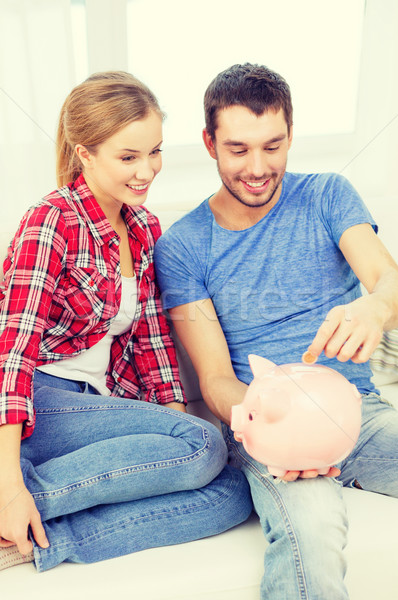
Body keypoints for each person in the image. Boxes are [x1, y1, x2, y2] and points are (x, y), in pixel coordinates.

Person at [154, 63, 398, 599]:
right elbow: (214, 382)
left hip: (361, 418)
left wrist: (373, 310)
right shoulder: (183, 246)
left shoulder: (328, 195)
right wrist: (282, 434)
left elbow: (393, 285)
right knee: (314, 532)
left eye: (273, 146)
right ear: (209, 143)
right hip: (269, 431)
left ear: (292, 135)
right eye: (238, 150)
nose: (257, 167)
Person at [0, 71, 252, 573]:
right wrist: (7, 482)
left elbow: (153, 343)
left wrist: (173, 422)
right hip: (39, 401)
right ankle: (18, 503)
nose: (146, 171)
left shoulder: (143, 228)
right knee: (204, 443)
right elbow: (13, 353)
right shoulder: (52, 221)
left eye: (154, 151)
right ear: (85, 153)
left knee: (232, 487)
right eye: (128, 157)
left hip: (94, 407)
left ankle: (42, 539)